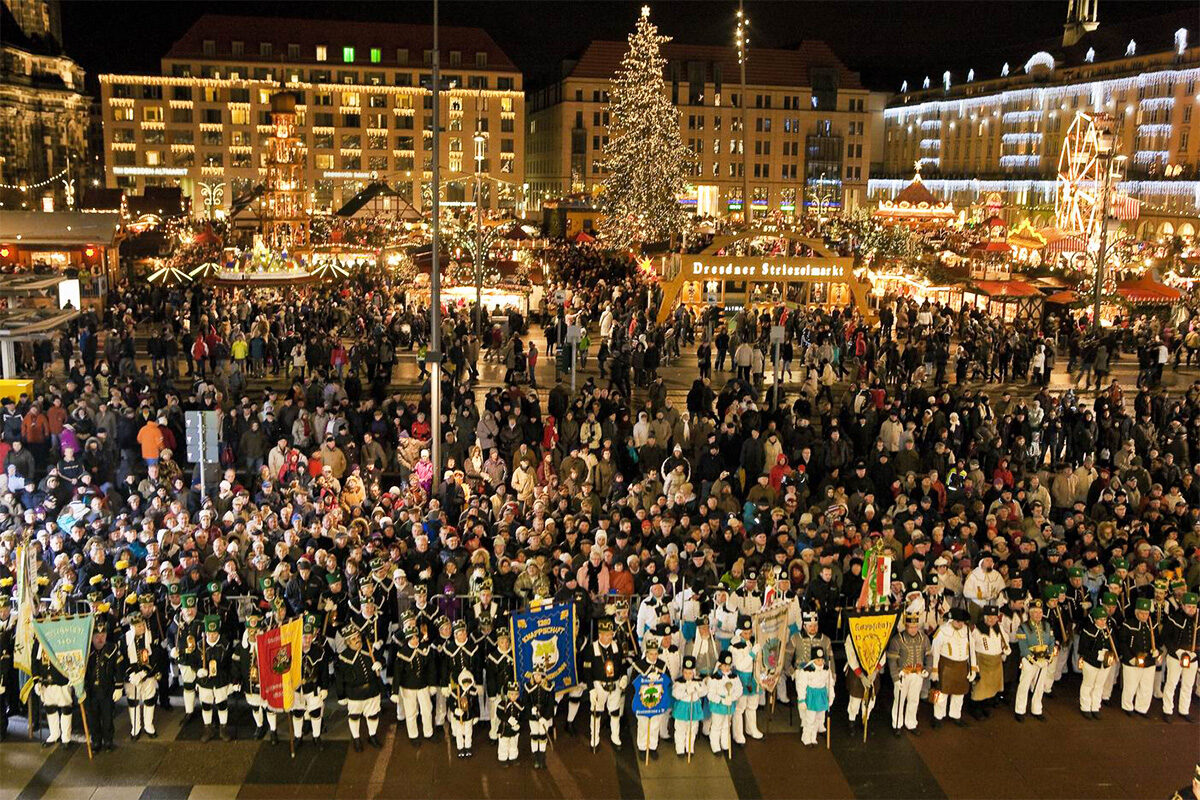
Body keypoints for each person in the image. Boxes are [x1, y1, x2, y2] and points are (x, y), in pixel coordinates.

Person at [335, 623, 384, 751]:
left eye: (358, 637)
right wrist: (341, 695)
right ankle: (356, 739)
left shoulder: (369, 650)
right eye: (353, 639)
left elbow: (382, 659)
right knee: (354, 717)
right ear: (347, 642)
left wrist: (380, 663)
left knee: (373, 715)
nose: (357, 640)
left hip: (372, 691)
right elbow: (339, 679)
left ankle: (372, 736)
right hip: (354, 694)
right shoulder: (343, 658)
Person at [582, 617, 627, 750]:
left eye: (610, 635)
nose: (609, 638)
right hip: (599, 685)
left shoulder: (617, 646)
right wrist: (591, 689)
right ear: (600, 634)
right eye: (606, 635)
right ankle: (594, 739)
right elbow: (587, 671)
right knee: (596, 713)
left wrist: (624, 676)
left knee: (615, 712)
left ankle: (615, 737)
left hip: (615, 684)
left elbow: (622, 664)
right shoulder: (591, 649)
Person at [930, 607, 975, 728]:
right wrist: (934, 670)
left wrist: (973, 668)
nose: (960, 624)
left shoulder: (967, 631)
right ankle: (938, 717)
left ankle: (956, 715)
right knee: (942, 693)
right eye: (958, 621)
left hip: (962, 667)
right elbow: (935, 652)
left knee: (959, 694)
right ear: (951, 620)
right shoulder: (942, 631)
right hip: (946, 666)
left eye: (962, 622)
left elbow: (971, 650)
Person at [1013, 598, 1057, 722]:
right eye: (1035, 612)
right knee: (1024, 685)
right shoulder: (1023, 627)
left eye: (1040, 612)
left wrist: (1049, 656)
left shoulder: (1047, 625)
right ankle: (1020, 710)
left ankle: (1037, 709)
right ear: (1030, 613)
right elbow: (1023, 646)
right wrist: (1032, 659)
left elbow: (1051, 641)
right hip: (1029, 660)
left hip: (1044, 660)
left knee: (1040, 686)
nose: (1038, 615)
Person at [887, 611, 930, 736]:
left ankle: (911, 723)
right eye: (910, 627)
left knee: (914, 700)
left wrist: (927, 669)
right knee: (899, 700)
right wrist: (895, 678)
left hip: (918, 674)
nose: (913, 629)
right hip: (903, 675)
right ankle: (897, 724)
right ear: (906, 626)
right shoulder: (897, 639)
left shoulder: (924, 638)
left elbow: (929, 655)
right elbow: (892, 660)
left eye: (915, 627)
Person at [85, 620, 124, 752]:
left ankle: (108, 741)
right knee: (93, 718)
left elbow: (119, 669)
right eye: (97, 636)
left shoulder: (112, 649)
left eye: (103, 635)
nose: (100, 639)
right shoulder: (86, 650)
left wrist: (119, 687)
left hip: (107, 689)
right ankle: (96, 741)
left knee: (107, 718)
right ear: (92, 637)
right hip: (91, 691)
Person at [1117, 597, 1159, 717]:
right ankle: (1127, 706)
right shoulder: (1128, 624)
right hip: (1132, 660)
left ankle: (1142, 708)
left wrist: (1157, 651)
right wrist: (1129, 657)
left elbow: (1158, 641)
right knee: (1130, 685)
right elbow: (1122, 642)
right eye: (1142, 613)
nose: (1144, 616)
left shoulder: (1152, 625)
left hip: (1149, 661)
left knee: (1146, 686)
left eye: (1146, 613)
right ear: (1136, 612)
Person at [1160, 592, 1198, 722]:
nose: (1191, 609)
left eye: (1194, 607)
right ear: (1182, 606)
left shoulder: (1198, 620)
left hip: (1192, 657)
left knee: (1188, 685)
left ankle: (1184, 710)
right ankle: (1167, 710)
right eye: (1189, 606)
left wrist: (1196, 654)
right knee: (1171, 683)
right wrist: (1177, 652)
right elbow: (1165, 637)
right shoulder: (1174, 618)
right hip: (1176, 656)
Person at [123, 611, 161, 739]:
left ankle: (148, 725)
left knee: (149, 699)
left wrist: (144, 672)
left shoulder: (151, 636)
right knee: (133, 701)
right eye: (139, 626)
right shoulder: (124, 639)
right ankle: (136, 727)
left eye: (143, 625)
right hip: (132, 677)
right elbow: (122, 659)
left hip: (147, 674)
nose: (142, 628)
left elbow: (155, 656)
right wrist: (131, 674)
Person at [292, 613, 328, 748]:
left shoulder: (319, 651)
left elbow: (324, 671)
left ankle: (316, 737)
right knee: (297, 713)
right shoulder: (292, 651)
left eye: (309, 636)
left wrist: (324, 687)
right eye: (304, 637)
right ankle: (298, 736)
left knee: (315, 713)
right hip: (297, 689)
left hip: (313, 688)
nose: (307, 640)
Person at [196, 613, 233, 742]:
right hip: (205, 681)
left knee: (222, 704)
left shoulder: (225, 645)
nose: (211, 636)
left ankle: (223, 729)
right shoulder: (199, 645)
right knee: (206, 705)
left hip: (220, 680)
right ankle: (208, 728)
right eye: (209, 634)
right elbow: (194, 661)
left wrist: (231, 681)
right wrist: (199, 671)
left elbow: (229, 664)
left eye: (214, 633)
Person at [1077, 606, 1118, 720]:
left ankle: (1095, 706)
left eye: (1104, 619)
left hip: (1105, 663)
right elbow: (1083, 649)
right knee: (1088, 684)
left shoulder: (1109, 631)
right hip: (1091, 663)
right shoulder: (1088, 631)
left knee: (1099, 685)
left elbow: (1114, 645)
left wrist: (1110, 655)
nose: (1103, 622)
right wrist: (1097, 655)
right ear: (1095, 619)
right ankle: (1085, 707)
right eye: (1100, 619)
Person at [797, 645, 834, 747]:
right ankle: (806, 738)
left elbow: (829, 684)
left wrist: (831, 696)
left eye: (822, 660)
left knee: (819, 718)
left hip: (821, 696)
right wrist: (802, 700)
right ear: (813, 660)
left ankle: (813, 738)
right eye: (818, 660)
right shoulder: (806, 670)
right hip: (811, 697)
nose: (820, 662)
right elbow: (801, 686)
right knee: (810, 719)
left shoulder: (826, 670)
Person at [707, 650, 741, 755]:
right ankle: (715, 745)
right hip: (718, 706)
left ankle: (725, 743)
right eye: (724, 665)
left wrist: (732, 697)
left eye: (729, 666)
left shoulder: (734, 677)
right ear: (720, 665)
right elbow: (710, 694)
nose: (727, 668)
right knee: (716, 725)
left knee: (727, 725)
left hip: (729, 704)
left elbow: (739, 689)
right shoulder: (714, 678)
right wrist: (721, 700)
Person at [671, 654, 705, 756]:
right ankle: (680, 749)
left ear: (694, 672)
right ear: (682, 672)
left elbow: (704, 692)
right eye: (685, 673)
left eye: (690, 673)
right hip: (682, 708)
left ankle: (690, 747)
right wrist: (687, 691)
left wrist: (699, 688)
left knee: (692, 729)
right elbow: (676, 694)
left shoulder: (698, 681)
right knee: (680, 729)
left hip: (694, 707)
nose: (687, 675)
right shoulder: (678, 682)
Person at [449, 669, 479, 758]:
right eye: (464, 682)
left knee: (468, 732)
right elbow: (450, 703)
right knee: (459, 732)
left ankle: (468, 747)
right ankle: (460, 748)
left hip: (469, 716)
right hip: (459, 718)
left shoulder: (473, 691)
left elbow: (476, 704)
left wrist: (476, 715)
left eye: (468, 682)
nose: (466, 684)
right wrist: (455, 710)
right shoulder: (456, 691)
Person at [495, 681, 523, 766]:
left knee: (514, 744)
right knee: (504, 744)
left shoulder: (519, 704)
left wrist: (518, 724)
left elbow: (522, 715)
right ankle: (503, 758)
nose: (514, 696)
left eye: (516, 694)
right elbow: (499, 713)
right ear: (508, 694)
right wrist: (508, 719)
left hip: (514, 729)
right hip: (505, 728)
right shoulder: (503, 703)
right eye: (511, 694)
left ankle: (513, 757)